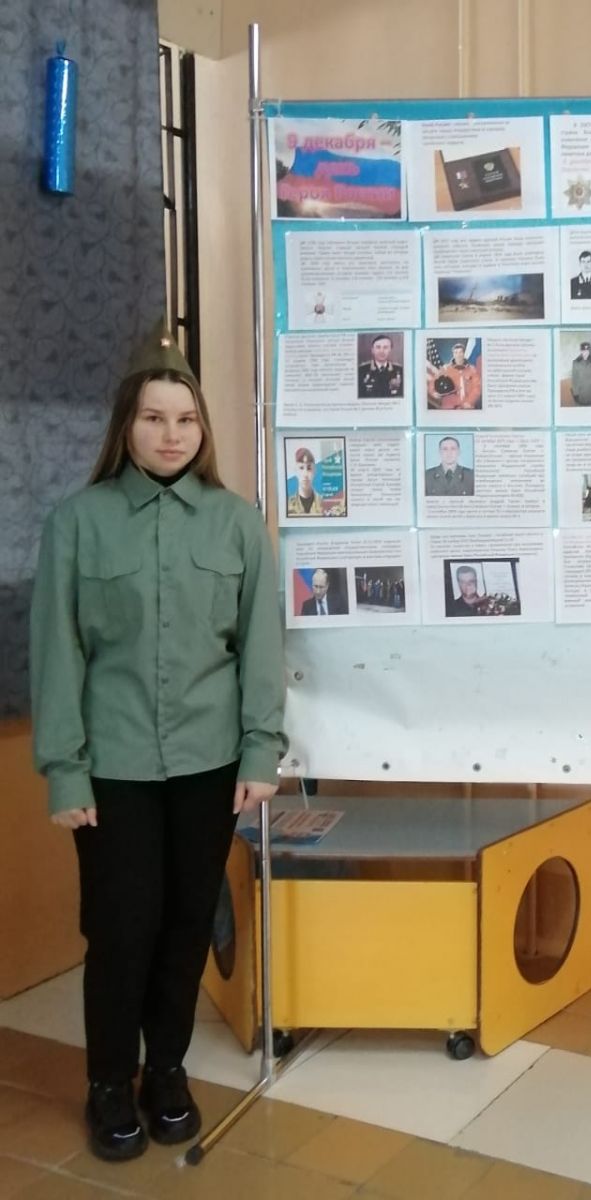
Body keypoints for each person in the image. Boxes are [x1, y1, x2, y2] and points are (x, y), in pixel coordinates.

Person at [29, 322, 286, 1163]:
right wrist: (64, 771)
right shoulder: (79, 523)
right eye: (153, 418)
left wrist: (260, 751)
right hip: (114, 767)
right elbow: (57, 654)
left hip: (211, 764)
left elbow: (261, 647)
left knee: (184, 924)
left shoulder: (238, 524)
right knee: (121, 928)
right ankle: (110, 1081)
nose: (171, 435)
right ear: (126, 425)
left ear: (202, 429)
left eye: (185, 419)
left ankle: (165, 1071)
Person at [430, 340, 482, 410]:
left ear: (463, 353)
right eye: (456, 352)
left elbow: (477, 387)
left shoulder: (472, 370)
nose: (458, 355)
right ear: (453, 354)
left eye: (460, 352)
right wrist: (433, 392)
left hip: (467, 405)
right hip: (449, 406)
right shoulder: (446, 369)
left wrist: (469, 401)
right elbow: (433, 381)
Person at [357, 334, 403, 399]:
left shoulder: (400, 370)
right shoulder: (361, 370)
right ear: (372, 350)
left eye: (385, 347)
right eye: (378, 347)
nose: (382, 351)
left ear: (390, 350)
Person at [570, 341, 591, 407]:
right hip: (583, 392)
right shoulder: (576, 363)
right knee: (585, 406)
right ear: (581, 351)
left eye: (587, 350)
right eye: (584, 350)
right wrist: (576, 394)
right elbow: (574, 379)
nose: (586, 353)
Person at [287, 446, 320, 515]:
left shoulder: (324, 504)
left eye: (309, 468)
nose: (305, 474)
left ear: (314, 470)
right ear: (295, 471)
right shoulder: (287, 506)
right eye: (301, 468)